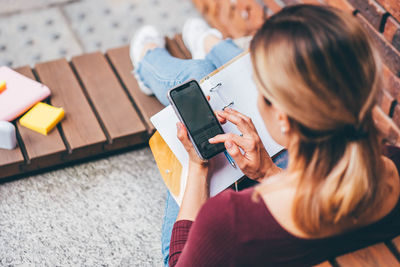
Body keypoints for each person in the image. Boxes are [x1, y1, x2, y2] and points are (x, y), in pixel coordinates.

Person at [131, 4, 400, 267]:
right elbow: (328, 197)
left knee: (195, 75)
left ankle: (149, 58)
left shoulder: (230, 221)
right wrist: (267, 173)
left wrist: (198, 166)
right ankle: (208, 43)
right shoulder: (391, 165)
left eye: (259, 89)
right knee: (202, 81)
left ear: (283, 118)